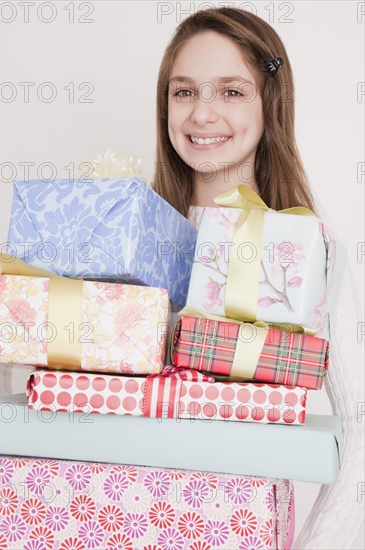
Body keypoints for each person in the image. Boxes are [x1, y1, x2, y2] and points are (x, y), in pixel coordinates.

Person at [151, 6, 364, 549]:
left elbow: (360, 428)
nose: (202, 114)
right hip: (102, 515)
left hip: (238, 530)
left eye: (231, 91)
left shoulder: (311, 248)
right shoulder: (125, 225)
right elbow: (15, 345)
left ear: (271, 101)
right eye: (183, 92)